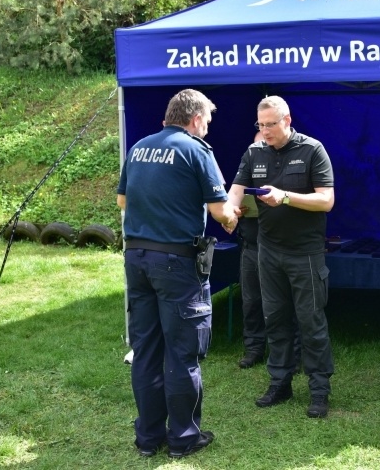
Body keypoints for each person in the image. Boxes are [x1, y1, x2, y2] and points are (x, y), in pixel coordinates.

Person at [117, 89, 238, 458]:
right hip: (176, 264)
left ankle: (148, 438)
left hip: (136, 258)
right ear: (196, 118)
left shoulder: (139, 147)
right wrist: (234, 216)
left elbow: (123, 201)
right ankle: (184, 438)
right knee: (183, 353)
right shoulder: (196, 150)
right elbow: (220, 211)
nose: (208, 128)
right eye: (208, 121)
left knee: (146, 350)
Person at [227, 95, 335, 418]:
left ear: (287, 120)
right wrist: (231, 210)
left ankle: (319, 389)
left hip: (305, 252)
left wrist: (285, 197)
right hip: (268, 251)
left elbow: (326, 200)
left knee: (311, 321)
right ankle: (280, 382)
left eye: (271, 124)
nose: (266, 131)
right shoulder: (254, 152)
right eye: (261, 125)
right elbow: (236, 188)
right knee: (274, 318)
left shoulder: (312, 150)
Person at [237, 133, 303, 370]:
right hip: (251, 246)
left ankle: (293, 356)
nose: (264, 146)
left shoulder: (288, 172)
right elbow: (233, 195)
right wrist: (234, 209)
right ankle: (254, 348)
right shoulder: (248, 166)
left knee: (286, 304)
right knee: (251, 301)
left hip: (281, 247)